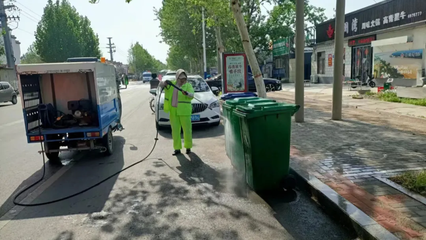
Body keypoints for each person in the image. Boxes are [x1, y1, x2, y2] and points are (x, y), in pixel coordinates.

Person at [159, 69, 194, 155]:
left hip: (184, 111)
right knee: (175, 131)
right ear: (177, 78)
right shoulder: (171, 84)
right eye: (181, 79)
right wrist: (164, 83)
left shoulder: (188, 86)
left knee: (187, 130)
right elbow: (160, 85)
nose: (182, 81)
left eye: (184, 79)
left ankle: (188, 147)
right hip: (173, 111)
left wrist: (187, 93)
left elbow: (192, 95)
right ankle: (177, 148)